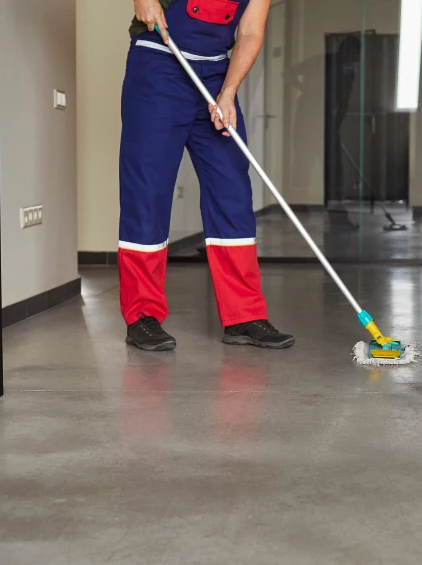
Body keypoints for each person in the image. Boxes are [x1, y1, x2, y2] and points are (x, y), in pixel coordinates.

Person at [119, 0, 294, 351]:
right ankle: (142, 315)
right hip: (158, 63)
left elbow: (250, 31)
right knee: (148, 191)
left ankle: (244, 316)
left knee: (232, 190)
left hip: (216, 74)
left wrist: (228, 92)